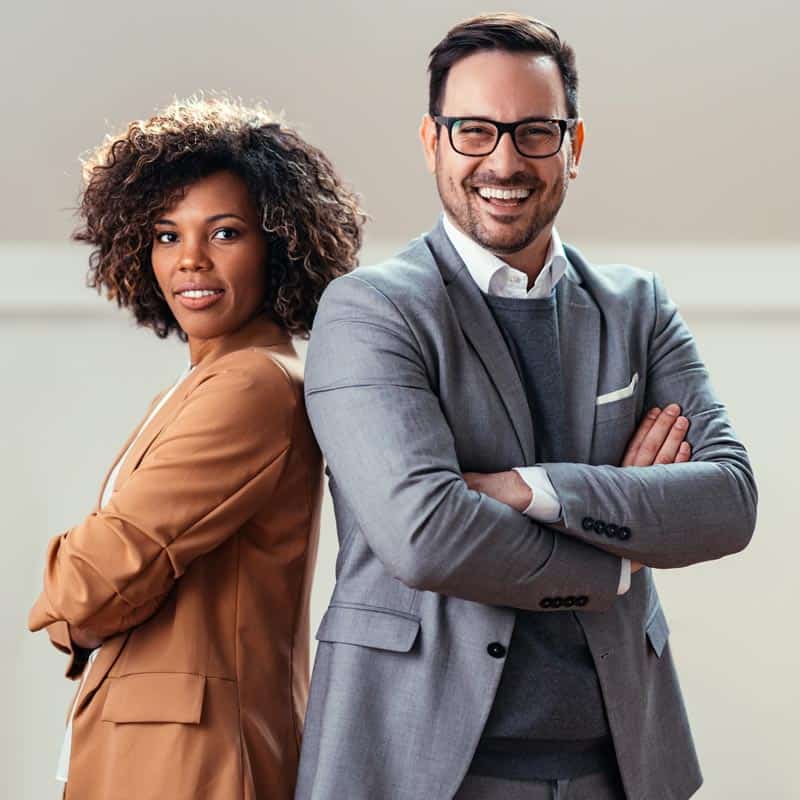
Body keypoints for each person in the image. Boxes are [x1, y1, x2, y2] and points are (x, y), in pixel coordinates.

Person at [295, 13, 756, 800]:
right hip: (418, 771)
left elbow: (728, 502)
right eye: (474, 130)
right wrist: (622, 551)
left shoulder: (637, 307)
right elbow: (426, 535)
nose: (504, 160)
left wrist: (528, 487)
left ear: (572, 147)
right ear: (432, 141)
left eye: (535, 131)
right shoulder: (370, 311)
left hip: (621, 770)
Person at [28, 96, 364, 800]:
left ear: (279, 241)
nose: (191, 262)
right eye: (165, 235)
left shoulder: (251, 385)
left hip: (196, 758)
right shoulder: (206, 381)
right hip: (152, 742)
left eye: (224, 232)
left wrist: (68, 591)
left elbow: (92, 579)